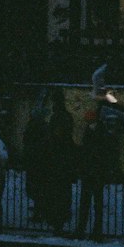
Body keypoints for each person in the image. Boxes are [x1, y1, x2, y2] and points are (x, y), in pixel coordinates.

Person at [76, 110, 116, 241]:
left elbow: (90, 151)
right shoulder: (101, 132)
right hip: (95, 173)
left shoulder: (92, 132)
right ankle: (94, 231)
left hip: (92, 172)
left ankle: (83, 230)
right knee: (95, 204)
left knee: (87, 203)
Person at [43, 90, 76, 233]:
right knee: (63, 191)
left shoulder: (57, 117)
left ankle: (57, 218)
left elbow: (56, 136)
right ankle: (61, 216)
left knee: (57, 191)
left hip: (57, 161)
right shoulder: (66, 117)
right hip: (63, 162)